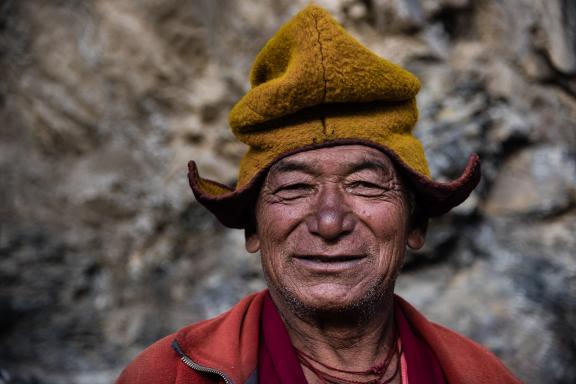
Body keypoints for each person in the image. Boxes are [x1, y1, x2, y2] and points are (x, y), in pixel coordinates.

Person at [117, 4, 521, 384]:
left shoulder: (481, 376)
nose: (329, 222)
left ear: (415, 223)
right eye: (294, 188)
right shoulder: (168, 375)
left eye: (365, 185)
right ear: (253, 230)